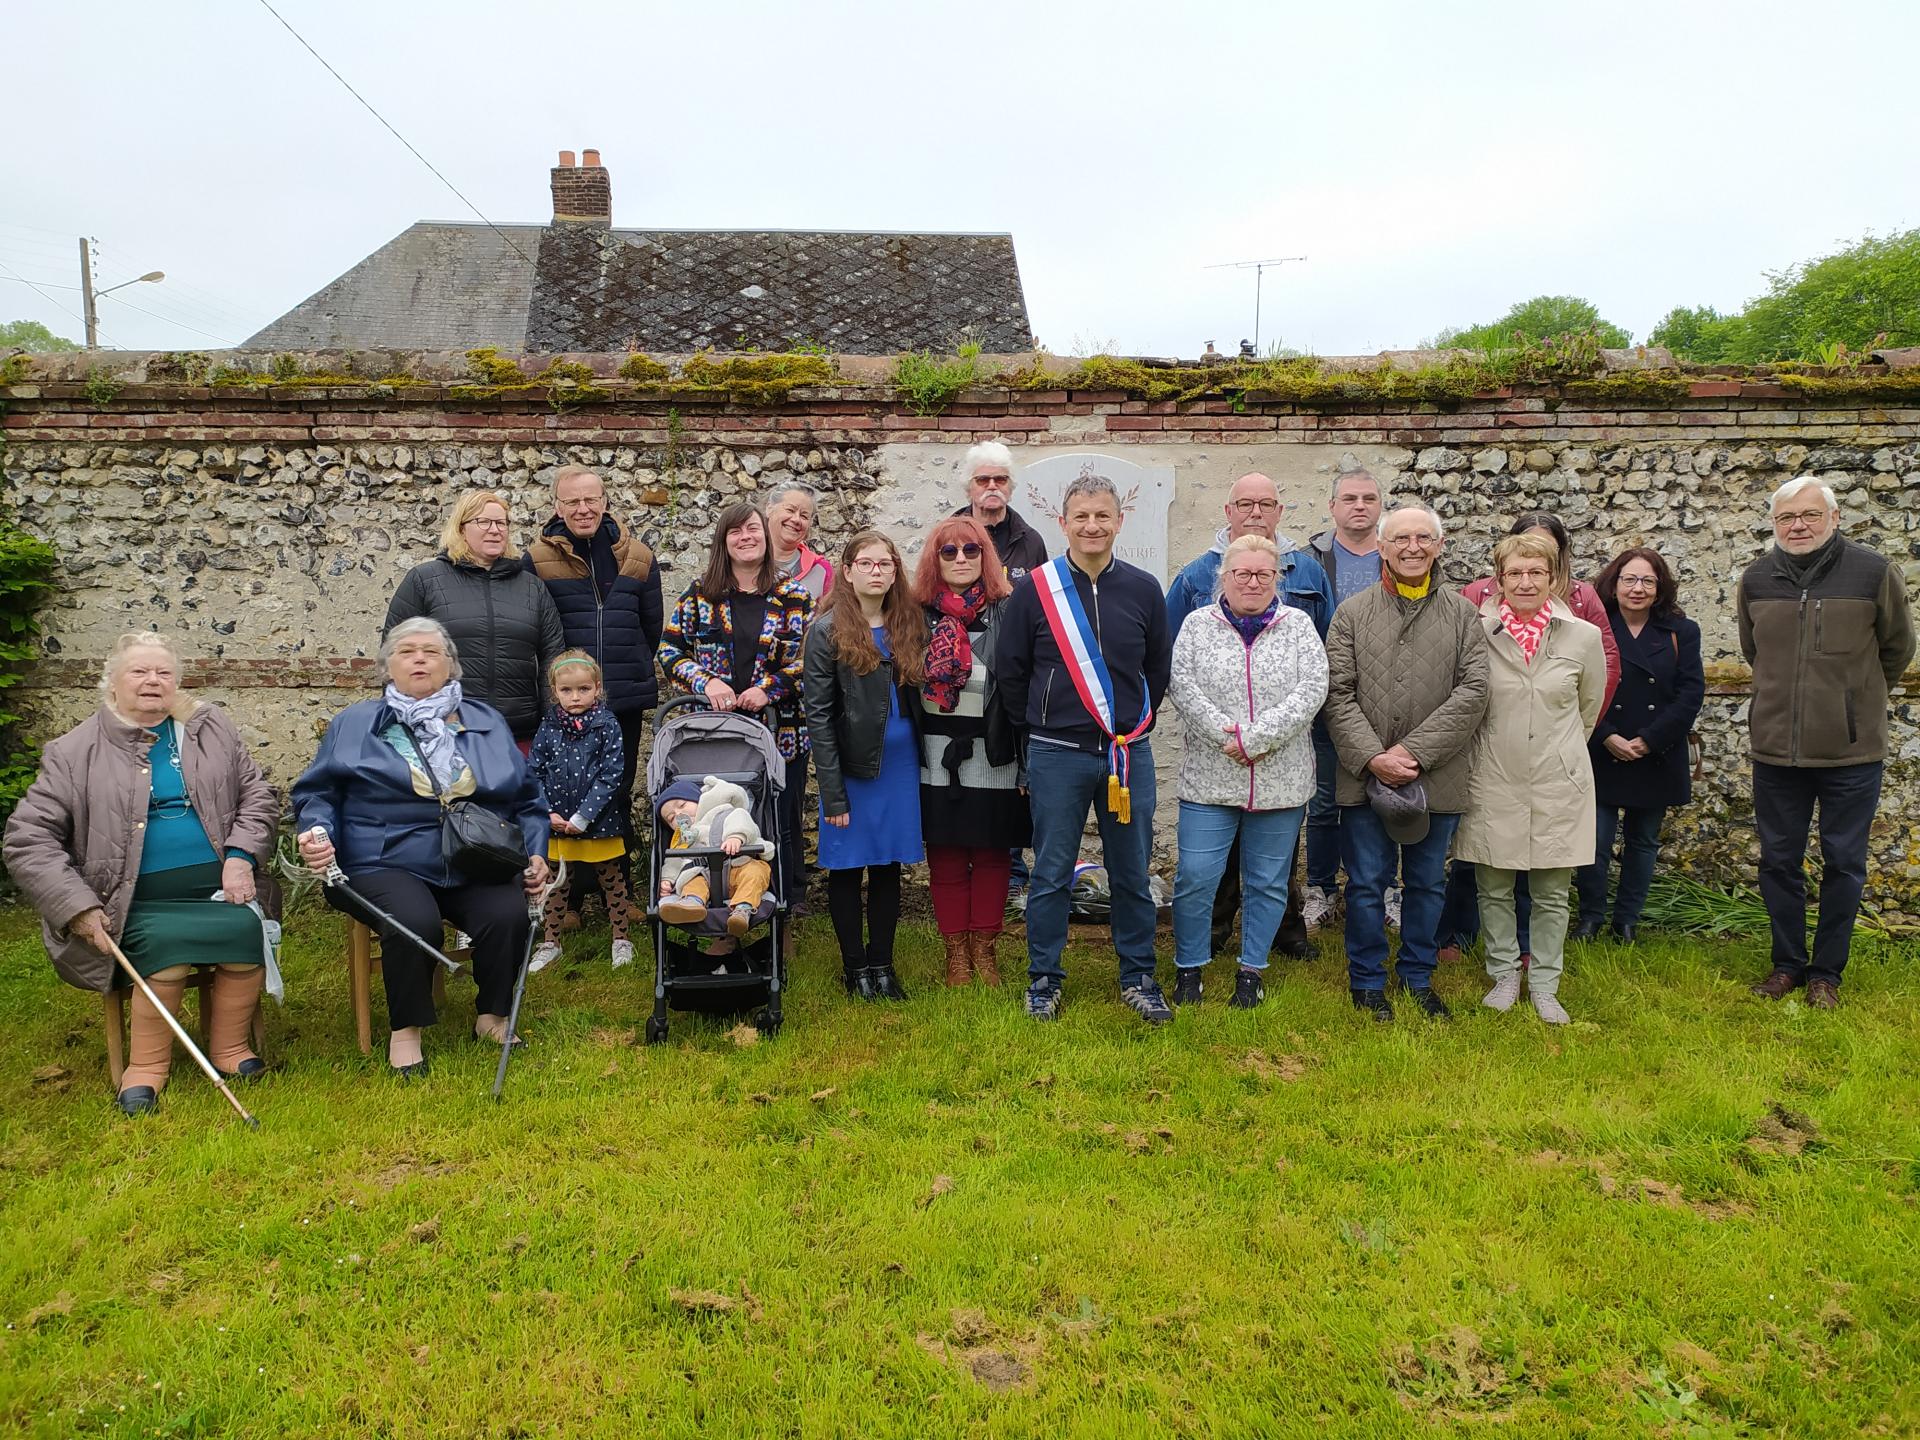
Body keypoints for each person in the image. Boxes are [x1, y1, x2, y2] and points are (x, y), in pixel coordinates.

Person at [4, 632, 278, 1116]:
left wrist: (241, 856)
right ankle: (147, 1067)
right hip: (127, 899)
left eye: (164, 672)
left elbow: (257, 797)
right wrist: (77, 906)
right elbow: (28, 840)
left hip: (220, 888)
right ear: (112, 683)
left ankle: (231, 1051)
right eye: (139, 671)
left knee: (245, 930)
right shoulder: (73, 752)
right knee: (165, 951)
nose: (153, 680)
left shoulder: (209, 729)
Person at [292, 618, 551, 1077]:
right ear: (387, 666)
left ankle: (492, 1016)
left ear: (451, 665)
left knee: (506, 913)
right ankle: (406, 1031)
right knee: (413, 920)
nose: (419, 658)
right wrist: (316, 833)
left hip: (473, 855)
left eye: (431, 652)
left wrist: (534, 853)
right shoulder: (354, 724)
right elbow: (319, 794)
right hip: (381, 857)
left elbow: (528, 800)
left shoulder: (484, 720)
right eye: (407, 650)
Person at [997, 473, 1173, 1024]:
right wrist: (1045, 726)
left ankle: (1138, 976)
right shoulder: (1035, 590)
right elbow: (1012, 671)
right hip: (1057, 753)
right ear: (1063, 523)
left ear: (1120, 521)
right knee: (1050, 872)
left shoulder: (1144, 588)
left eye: (1102, 516)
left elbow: (1157, 669)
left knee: (1132, 871)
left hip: (1126, 754)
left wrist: (1128, 726)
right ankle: (1044, 981)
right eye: (1081, 517)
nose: (1092, 526)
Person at [1738, 476, 1915, 1009]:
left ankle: (1826, 974)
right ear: (1774, 524)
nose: (1798, 525)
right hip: (1775, 751)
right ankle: (1787, 964)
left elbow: (1896, 649)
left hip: (1850, 753)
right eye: (1786, 517)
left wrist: (1849, 703)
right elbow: (1756, 654)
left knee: (1844, 863)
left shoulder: (1874, 572)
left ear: (1834, 518)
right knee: (1778, 862)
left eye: (1810, 515)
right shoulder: (1757, 578)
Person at [1323, 505, 1489, 1022]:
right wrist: (1374, 757)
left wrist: (1413, 753)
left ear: (1440, 546)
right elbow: (1336, 692)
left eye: (1424, 538)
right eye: (1401, 539)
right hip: (1362, 777)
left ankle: (1418, 977)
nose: (1412, 547)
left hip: (1437, 775)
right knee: (1368, 884)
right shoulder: (1351, 613)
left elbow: (1475, 689)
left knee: (1426, 884)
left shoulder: (1463, 614)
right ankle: (1368, 982)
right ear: (1381, 546)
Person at [1439, 511, 1623, 963]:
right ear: (1499, 579)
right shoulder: (1474, 632)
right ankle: (1502, 973)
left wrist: (1555, 747)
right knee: (1494, 886)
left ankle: (1545, 981)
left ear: (1554, 576)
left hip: (1553, 775)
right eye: (1515, 573)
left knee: (1552, 892)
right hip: (1494, 772)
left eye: (1536, 572)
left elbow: (1587, 707)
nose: (1526, 582)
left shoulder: (1582, 637)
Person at [1166, 471, 1332, 963]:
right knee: (1206, 866)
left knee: (1273, 864)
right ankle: (1212, 935)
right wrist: (1227, 735)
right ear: (1228, 511)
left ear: (1280, 510)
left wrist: (1261, 736)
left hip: (1281, 758)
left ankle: (1277, 937)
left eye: (1266, 502)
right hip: (1215, 758)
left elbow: (1319, 665)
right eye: (1245, 503)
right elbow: (1174, 663)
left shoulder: (1307, 574)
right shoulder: (1196, 576)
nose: (1255, 512)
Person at [523, 464, 664, 920]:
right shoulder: (536, 559)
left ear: (604, 502)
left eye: (591, 500)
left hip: (620, 697)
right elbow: (538, 630)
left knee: (615, 794)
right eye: (572, 501)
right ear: (557, 507)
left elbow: (651, 626)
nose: (583, 509)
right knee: (564, 795)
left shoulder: (638, 556)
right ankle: (571, 900)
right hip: (565, 703)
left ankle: (615, 896)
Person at [656, 501, 814, 902]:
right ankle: (710, 900)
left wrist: (769, 688)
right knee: (717, 817)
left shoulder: (793, 596)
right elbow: (669, 651)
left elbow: (813, 661)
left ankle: (782, 910)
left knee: (781, 820)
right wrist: (706, 682)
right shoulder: (699, 594)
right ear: (723, 542)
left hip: (780, 730)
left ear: (766, 536)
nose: (746, 538)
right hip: (716, 736)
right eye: (736, 531)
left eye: (753, 530)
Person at [803, 530, 927, 1001]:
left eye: (886, 564)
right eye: (867, 563)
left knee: (890, 866)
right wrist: (832, 792)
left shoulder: (908, 623)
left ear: (895, 571)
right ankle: (854, 967)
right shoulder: (827, 630)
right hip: (854, 770)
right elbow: (819, 715)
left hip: (900, 766)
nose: (877, 572)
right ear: (848, 570)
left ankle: (883, 965)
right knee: (848, 867)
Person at [912, 514, 1031, 986]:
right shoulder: (915, 614)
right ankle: (955, 953)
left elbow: (1023, 682)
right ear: (934, 561)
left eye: (971, 550)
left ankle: (985, 949)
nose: (960, 559)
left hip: (995, 751)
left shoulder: (1010, 608)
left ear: (986, 557)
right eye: (949, 551)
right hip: (935, 753)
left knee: (992, 855)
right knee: (944, 855)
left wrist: (1026, 765)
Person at [1573, 547, 1705, 942]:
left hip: (1657, 751)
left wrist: (1649, 740)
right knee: (1594, 842)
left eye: (1648, 580)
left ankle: (1626, 920)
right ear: (1613, 584)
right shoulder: (1593, 627)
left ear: (1660, 587)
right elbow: (1579, 688)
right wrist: (1607, 734)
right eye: (1629, 579)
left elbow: (1690, 693)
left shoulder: (1683, 632)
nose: (1638, 588)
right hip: (1603, 746)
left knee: (1643, 841)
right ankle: (1591, 916)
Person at [385, 489, 566, 745]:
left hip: (519, 733)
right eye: (484, 521)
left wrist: (553, 722)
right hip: (444, 732)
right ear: (461, 528)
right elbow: (394, 654)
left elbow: (553, 658)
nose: (495, 529)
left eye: (501, 522)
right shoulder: (425, 580)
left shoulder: (532, 587)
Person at [1303, 465, 1386, 930]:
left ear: (1380, 508)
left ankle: (1381, 890)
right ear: (1332, 507)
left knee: (1386, 799)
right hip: (1324, 701)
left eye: (1368, 499)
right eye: (1350, 499)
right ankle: (1320, 890)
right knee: (1323, 802)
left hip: (1386, 703)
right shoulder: (1308, 560)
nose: (1359, 506)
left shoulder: (1398, 555)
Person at [526, 651, 634, 973]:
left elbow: (611, 774)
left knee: (611, 880)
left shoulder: (607, 724)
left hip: (598, 822)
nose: (575, 697)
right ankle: (551, 943)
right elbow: (535, 770)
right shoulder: (549, 725)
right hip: (558, 821)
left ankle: (621, 938)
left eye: (584, 689)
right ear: (555, 691)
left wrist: (583, 816)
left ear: (597, 688)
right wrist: (547, 812)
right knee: (558, 883)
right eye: (567, 690)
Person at [656, 776, 775, 936]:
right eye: (671, 818)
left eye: (682, 805)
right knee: (691, 881)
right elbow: (674, 860)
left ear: (699, 800)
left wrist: (736, 836)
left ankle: (742, 911)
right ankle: (691, 903)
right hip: (704, 875)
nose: (678, 814)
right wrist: (667, 879)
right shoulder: (683, 838)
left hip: (737, 869)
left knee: (756, 871)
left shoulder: (722, 812)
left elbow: (741, 818)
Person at [953, 441, 1050, 584]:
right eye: (982, 480)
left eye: (1000, 479)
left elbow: (1042, 597)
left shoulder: (1031, 542)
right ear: (969, 488)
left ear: (1010, 487)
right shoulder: (948, 537)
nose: (992, 486)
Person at [766, 483, 836, 603]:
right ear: (769, 509)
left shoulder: (820, 570)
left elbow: (828, 618)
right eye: (790, 510)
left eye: (804, 516)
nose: (796, 519)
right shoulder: (742, 560)